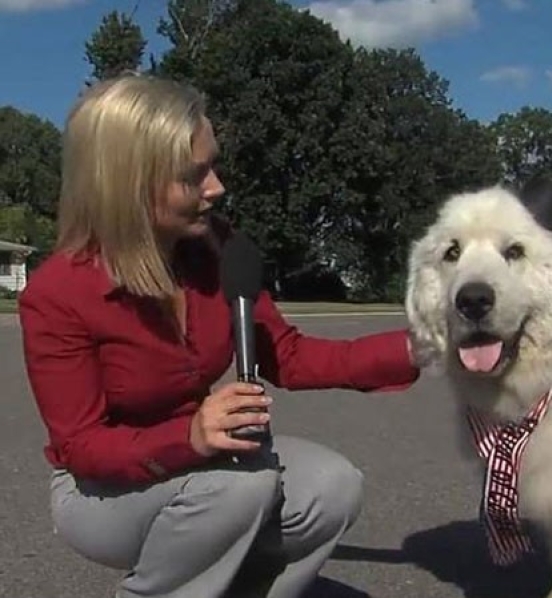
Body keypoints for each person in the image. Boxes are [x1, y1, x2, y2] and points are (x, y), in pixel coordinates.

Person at [17, 73, 420, 598]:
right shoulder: (58, 293)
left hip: (209, 461)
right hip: (102, 491)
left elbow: (289, 355)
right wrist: (188, 437)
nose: (217, 187)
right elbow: (82, 446)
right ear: (129, 184)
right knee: (240, 489)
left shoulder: (219, 250)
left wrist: (420, 346)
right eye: (194, 175)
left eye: (213, 165)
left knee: (330, 485)